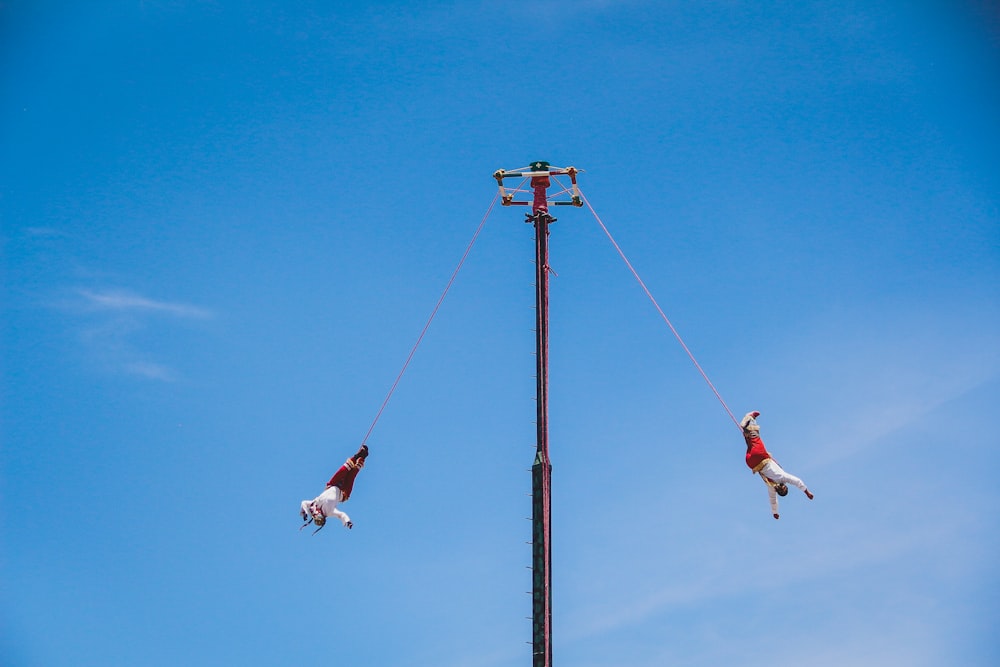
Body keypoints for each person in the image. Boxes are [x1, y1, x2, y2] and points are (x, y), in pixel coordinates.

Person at [741, 411, 813, 519]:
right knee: (749, 441)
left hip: (760, 457)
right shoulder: (771, 487)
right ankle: (746, 427)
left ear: (784, 486)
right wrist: (774, 512)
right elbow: (773, 500)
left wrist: (806, 491)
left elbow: (796, 481)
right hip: (750, 463)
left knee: (755, 436)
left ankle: (750, 418)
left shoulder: (783, 478)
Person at [300, 444, 368, 533]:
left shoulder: (314, 505)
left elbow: (303, 503)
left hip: (332, 485)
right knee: (352, 475)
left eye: (317, 518)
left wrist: (305, 512)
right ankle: (363, 456)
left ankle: (357, 455)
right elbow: (341, 515)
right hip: (343, 492)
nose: (318, 515)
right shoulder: (329, 512)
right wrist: (347, 522)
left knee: (343, 470)